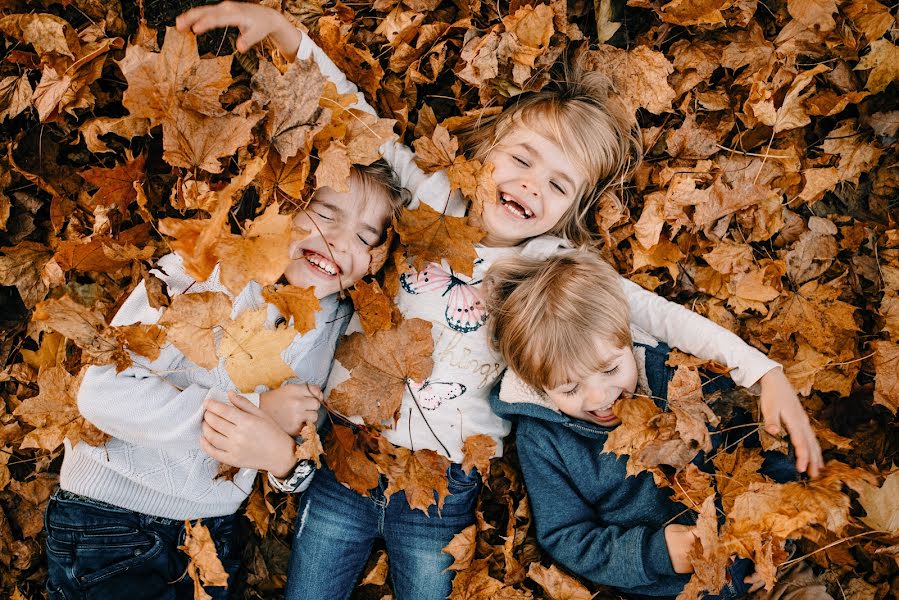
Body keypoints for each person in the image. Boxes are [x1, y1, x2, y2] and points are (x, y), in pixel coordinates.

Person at [175, 5, 824, 599]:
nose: (528, 185)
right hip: (349, 456)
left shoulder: (552, 267)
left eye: (556, 183)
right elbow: (359, 121)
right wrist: (290, 37)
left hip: (447, 483)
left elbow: (657, 315)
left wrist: (758, 369)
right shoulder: (432, 205)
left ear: (571, 210)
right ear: (487, 152)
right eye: (521, 159)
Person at [43, 161, 408, 600]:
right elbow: (102, 394)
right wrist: (254, 411)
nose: (338, 240)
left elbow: (305, 450)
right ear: (281, 204)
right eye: (325, 213)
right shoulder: (205, 267)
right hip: (113, 519)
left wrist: (282, 463)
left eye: (365, 237)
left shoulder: (339, 328)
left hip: (214, 533)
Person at [486, 250, 831, 599]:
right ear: (537, 385)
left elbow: (756, 444)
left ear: (627, 339)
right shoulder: (544, 440)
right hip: (664, 590)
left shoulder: (677, 377)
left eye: (610, 370)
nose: (599, 397)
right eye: (570, 388)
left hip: (761, 571)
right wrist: (654, 554)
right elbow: (566, 536)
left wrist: (773, 535)